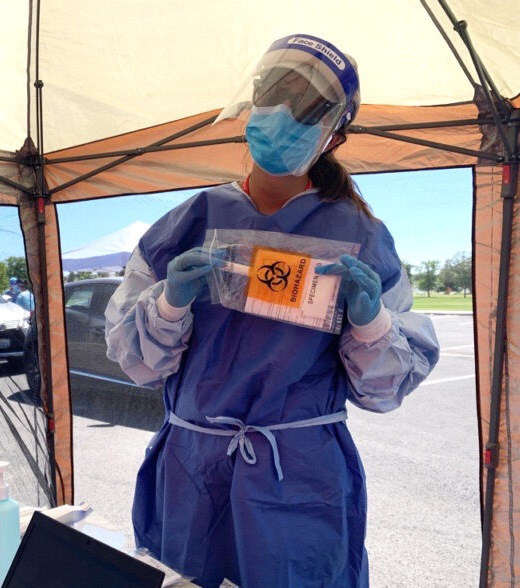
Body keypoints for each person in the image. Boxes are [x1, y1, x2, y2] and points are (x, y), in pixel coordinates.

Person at [105, 34, 440, 588]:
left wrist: (370, 320)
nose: (283, 112)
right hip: (194, 468)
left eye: (306, 104)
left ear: (335, 134)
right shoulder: (191, 220)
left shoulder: (360, 236)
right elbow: (138, 364)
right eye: (275, 91)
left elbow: (383, 391)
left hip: (300, 478)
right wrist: (168, 305)